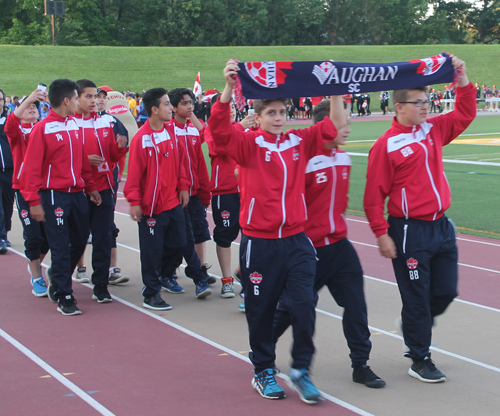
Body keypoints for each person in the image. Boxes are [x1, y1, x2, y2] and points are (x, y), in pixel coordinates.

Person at [209, 60, 340, 404]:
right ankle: (263, 370)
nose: (279, 117)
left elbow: (333, 128)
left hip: (297, 241)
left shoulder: (299, 141)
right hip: (260, 243)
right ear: (260, 116)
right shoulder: (248, 145)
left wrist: (338, 92)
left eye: (283, 111)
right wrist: (226, 87)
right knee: (261, 311)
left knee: (303, 306)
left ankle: (300, 370)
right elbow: (219, 131)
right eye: (271, 112)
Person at [363, 55, 475, 383]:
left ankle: (414, 323)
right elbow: (373, 198)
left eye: (428, 101)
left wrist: (463, 77)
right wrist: (381, 233)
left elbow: (466, 113)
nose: (427, 107)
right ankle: (419, 357)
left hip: (442, 226)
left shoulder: (433, 130)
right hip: (410, 230)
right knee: (416, 296)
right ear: (399, 107)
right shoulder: (386, 146)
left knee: (445, 292)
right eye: (419, 102)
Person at [273, 98, 386, 389]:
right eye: (344, 122)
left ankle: (361, 364)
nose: (348, 127)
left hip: (339, 247)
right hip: (308, 250)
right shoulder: (304, 160)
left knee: (357, 306)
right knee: (291, 307)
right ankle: (262, 350)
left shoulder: (344, 158)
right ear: (328, 124)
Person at [21, 79, 102, 316]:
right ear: (67, 101)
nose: (79, 103)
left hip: (77, 194)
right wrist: (34, 201)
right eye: (77, 99)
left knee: (79, 241)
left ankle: (57, 276)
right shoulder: (42, 128)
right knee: (60, 245)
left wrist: (90, 186)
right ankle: (66, 296)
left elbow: (81, 161)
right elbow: (32, 169)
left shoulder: (74, 125)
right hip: (54, 195)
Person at [123, 88, 190, 311]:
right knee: (152, 251)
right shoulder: (141, 139)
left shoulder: (170, 132)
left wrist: (183, 186)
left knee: (179, 243)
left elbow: (179, 162)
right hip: (151, 207)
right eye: (166, 104)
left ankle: (163, 275)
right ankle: (151, 293)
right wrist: (134, 201)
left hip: (172, 201)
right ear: (154, 109)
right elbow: (133, 175)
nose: (171, 108)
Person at [72, 79, 128, 303]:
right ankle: (61, 276)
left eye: (96, 97)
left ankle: (101, 284)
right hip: (78, 189)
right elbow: (60, 157)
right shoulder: (69, 123)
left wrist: (119, 147)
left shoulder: (108, 121)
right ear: (76, 98)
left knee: (103, 237)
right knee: (77, 239)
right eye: (89, 97)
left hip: (104, 189)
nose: (94, 101)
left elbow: (112, 158)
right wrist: (84, 161)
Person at [162, 87, 214, 298]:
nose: (190, 106)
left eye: (191, 102)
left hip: (194, 193)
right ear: (173, 108)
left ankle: (198, 269)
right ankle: (180, 274)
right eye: (184, 103)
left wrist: (204, 192)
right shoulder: (167, 131)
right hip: (176, 195)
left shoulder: (192, 131)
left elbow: (200, 164)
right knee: (181, 237)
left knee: (199, 232)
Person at [205, 95, 255, 301]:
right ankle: (227, 281)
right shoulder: (211, 129)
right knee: (225, 234)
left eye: (233, 106)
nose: (232, 110)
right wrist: (241, 127)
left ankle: (246, 276)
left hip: (246, 189)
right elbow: (218, 146)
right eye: (227, 107)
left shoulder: (243, 128)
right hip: (224, 190)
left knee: (250, 234)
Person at [4, 88, 50, 296]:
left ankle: (35, 264)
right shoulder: (16, 132)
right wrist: (29, 98)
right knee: (33, 236)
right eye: (27, 106)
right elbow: (11, 123)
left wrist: (50, 100)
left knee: (49, 237)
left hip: (48, 189)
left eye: (35, 106)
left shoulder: (45, 128)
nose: (32, 107)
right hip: (24, 191)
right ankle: (37, 276)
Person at [96, 87, 130, 285]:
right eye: (94, 96)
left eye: (102, 97)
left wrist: (120, 148)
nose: (99, 100)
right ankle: (77, 267)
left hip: (108, 181)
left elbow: (122, 147)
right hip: (82, 185)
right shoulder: (76, 121)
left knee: (108, 227)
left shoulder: (112, 121)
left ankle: (110, 269)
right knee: (79, 230)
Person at [0, 88, 15, 253]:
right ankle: (1, 236)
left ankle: (5, 232)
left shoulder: (9, 120)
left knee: (7, 204)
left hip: (9, 169)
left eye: (0, 99)